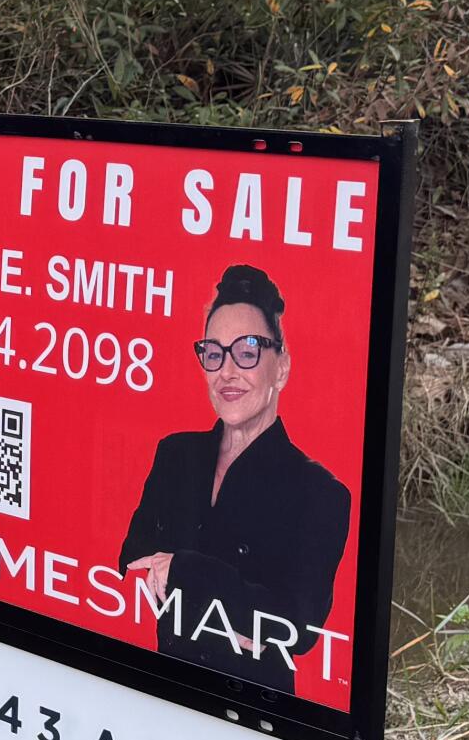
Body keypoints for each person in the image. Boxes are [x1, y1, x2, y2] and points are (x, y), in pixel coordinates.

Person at [119, 265, 352, 697]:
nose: (227, 371)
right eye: (213, 352)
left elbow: (294, 629)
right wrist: (241, 601)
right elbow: (131, 556)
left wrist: (185, 568)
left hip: (256, 714)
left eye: (247, 351)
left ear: (280, 367)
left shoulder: (320, 493)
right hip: (166, 692)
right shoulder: (176, 454)